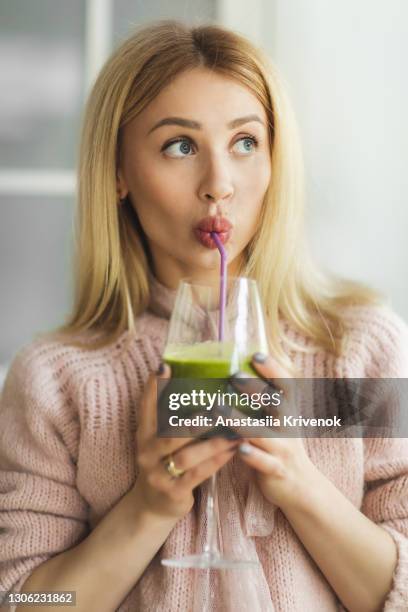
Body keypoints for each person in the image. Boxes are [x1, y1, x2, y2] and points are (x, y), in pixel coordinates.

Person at [1, 20, 408, 612]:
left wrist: (297, 479)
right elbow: (27, 602)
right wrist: (149, 505)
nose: (219, 184)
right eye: (180, 146)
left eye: (245, 142)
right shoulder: (57, 380)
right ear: (118, 172)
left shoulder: (360, 349)